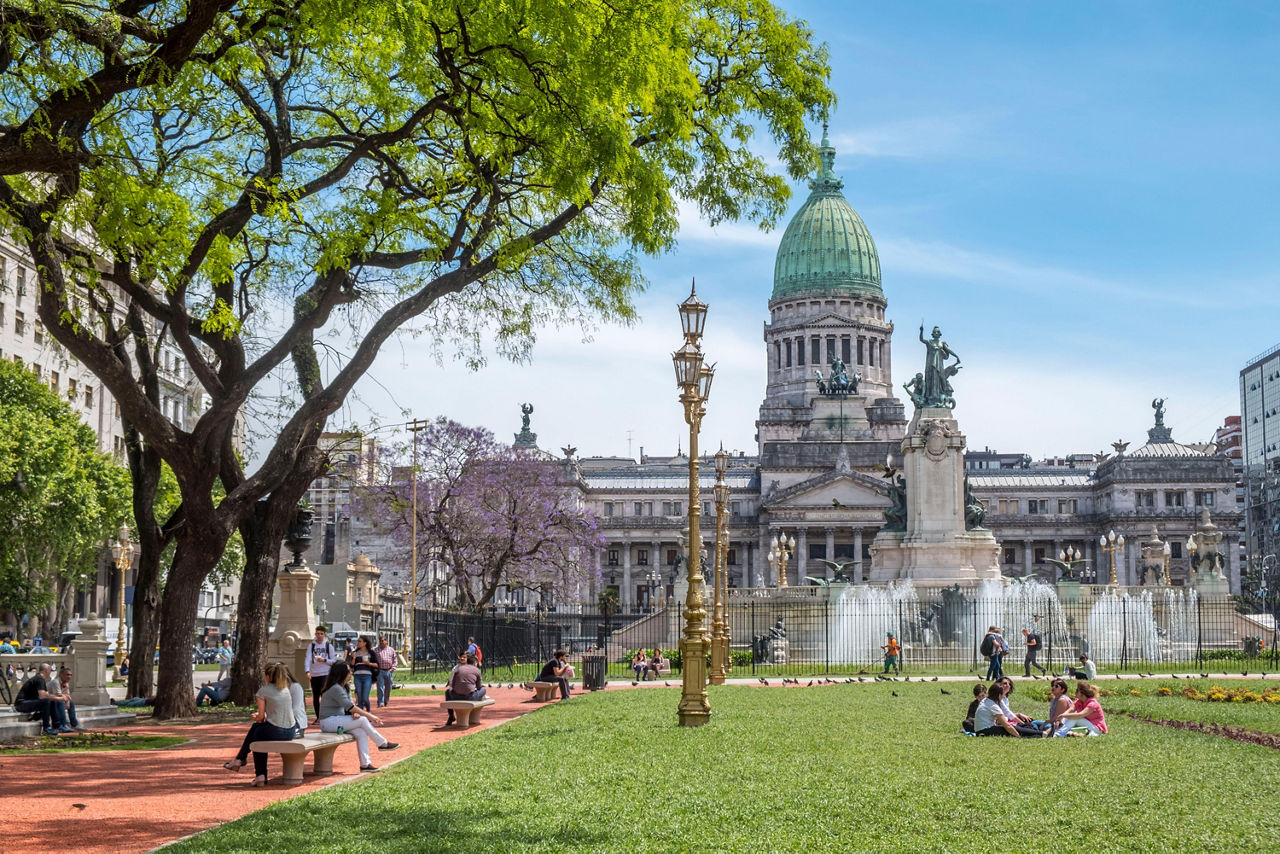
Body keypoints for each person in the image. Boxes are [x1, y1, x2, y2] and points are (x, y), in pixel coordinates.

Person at [222, 662, 300, 786]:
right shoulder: (285, 689)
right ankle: (241, 761)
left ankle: (256, 771)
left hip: (277, 730)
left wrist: (256, 716)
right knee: (257, 731)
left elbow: (260, 718)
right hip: (290, 731)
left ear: (268, 676)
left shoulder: (263, 691)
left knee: (256, 732)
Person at [318, 661, 399, 771]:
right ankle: (382, 743)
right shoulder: (336, 688)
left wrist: (354, 712)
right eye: (348, 671)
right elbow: (350, 707)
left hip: (337, 722)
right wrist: (372, 716)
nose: (351, 672)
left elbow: (350, 707)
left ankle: (365, 764)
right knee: (363, 720)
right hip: (328, 722)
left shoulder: (343, 687)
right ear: (342, 673)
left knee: (361, 732)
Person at [13, 663, 70, 734]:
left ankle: (57, 726)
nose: (50, 673)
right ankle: (46, 728)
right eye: (50, 670)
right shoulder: (39, 679)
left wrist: (58, 697)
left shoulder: (40, 679)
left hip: (29, 702)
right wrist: (60, 698)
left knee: (52, 701)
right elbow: (43, 696)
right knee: (46, 701)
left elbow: (47, 695)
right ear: (46, 670)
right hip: (21, 704)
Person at [304, 626, 338, 721]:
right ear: (315, 634)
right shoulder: (312, 646)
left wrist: (324, 660)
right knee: (315, 696)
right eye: (317, 633)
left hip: (325, 673)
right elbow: (307, 659)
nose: (319, 636)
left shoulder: (328, 646)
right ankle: (318, 717)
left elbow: (333, 661)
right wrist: (307, 671)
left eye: (321, 634)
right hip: (314, 674)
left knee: (324, 696)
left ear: (324, 635)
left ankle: (325, 715)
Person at [444, 653, 486, 725]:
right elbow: (479, 687)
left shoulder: (458, 669)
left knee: (448, 692)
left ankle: (451, 715)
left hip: (455, 696)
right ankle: (473, 715)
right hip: (469, 697)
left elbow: (452, 685)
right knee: (483, 690)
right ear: (475, 663)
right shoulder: (477, 670)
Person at [53, 666, 88, 732]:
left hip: (57, 700)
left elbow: (67, 695)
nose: (69, 677)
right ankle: (63, 725)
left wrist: (68, 702)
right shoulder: (56, 682)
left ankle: (74, 724)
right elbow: (58, 695)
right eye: (67, 675)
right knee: (61, 702)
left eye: (70, 675)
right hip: (49, 701)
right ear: (61, 675)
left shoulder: (66, 682)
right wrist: (66, 695)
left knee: (71, 703)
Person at [349, 636, 377, 712]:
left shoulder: (371, 652)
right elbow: (351, 665)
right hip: (357, 676)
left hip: (367, 676)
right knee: (359, 698)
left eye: (359, 641)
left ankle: (368, 712)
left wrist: (369, 663)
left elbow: (377, 665)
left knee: (365, 697)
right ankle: (361, 714)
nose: (357, 643)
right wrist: (354, 658)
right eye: (358, 641)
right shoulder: (355, 652)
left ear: (365, 643)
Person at [373, 635, 398, 708]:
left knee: (388, 687)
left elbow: (395, 659)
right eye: (380, 641)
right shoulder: (375, 650)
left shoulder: (391, 650)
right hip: (380, 671)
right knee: (380, 687)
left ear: (386, 641)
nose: (382, 642)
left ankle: (386, 701)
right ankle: (380, 702)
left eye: (383, 640)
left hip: (388, 671)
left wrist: (393, 668)